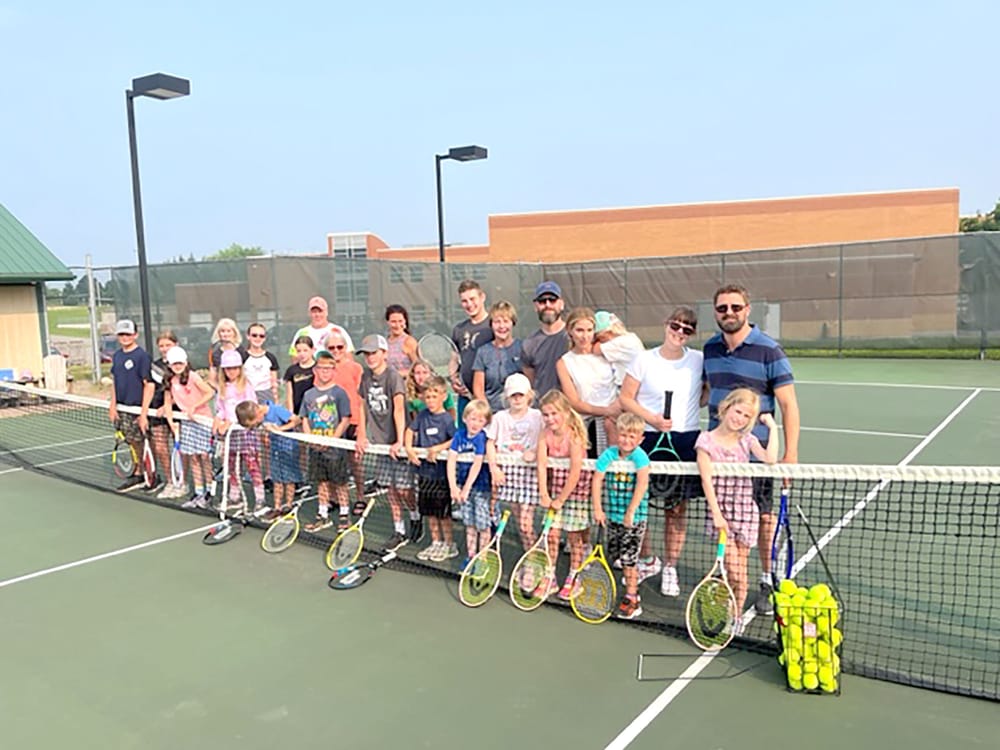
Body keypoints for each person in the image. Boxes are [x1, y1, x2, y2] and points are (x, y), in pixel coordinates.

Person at [702, 284, 800, 614]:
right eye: (722, 309)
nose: (729, 313)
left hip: (754, 455)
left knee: (765, 518)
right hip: (719, 455)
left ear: (748, 309)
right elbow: (707, 392)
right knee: (724, 517)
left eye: (735, 307)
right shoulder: (711, 349)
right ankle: (733, 577)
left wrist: (790, 454)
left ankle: (766, 579)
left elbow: (788, 405)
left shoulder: (769, 350)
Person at [619, 306, 704, 597]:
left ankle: (670, 566)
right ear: (666, 324)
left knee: (676, 509)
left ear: (692, 333)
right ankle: (648, 559)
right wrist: (652, 419)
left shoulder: (698, 360)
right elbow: (626, 398)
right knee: (638, 502)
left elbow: (705, 393)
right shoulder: (643, 360)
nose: (679, 332)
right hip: (649, 437)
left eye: (687, 329)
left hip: (684, 439)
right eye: (675, 326)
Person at [696, 388, 778, 621]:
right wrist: (716, 514)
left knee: (738, 572)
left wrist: (772, 427)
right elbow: (706, 480)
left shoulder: (747, 440)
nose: (739, 418)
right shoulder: (705, 441)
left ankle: (735, 616)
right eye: (738, 411)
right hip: (721, 515)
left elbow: (770, 459)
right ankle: (732, 611)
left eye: (746, 416)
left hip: (745, 513)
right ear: (726, 407)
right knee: (737, 573)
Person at [355, 334, 420, 550]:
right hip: (380, 444)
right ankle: (399, 530)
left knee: (403, 490)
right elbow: (362, 406)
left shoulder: (393, 377)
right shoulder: (365, 376)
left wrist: (400, 441)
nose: (370, 357)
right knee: (390, 490)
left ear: (384, 353)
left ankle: (415, 515)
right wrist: (362, 435)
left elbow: (400, 409)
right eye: (366, 354)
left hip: (397, 444)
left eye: (373, 353)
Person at [592, 412, 651, 620]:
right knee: (614, 555)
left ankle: (632, 598)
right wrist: (598, 508)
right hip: (613, 517)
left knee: (629, 561)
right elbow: (597, 479)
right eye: (623, 435)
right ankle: (615, 589)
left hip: (633, 519)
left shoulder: (640, 456)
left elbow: (642, 483)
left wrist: (631, 511)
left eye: (632, 437)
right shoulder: (609, 454)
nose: (626, 440)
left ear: (640, 439)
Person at [537, 389, 592, 601]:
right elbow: (541, 465)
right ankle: (549, 577)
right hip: (555, 490)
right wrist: (544, 492)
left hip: (576, 493)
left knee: (574, 538)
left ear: (566, 413)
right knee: (551, 535)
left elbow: (576, 472)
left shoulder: (575, 436)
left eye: (554, 414)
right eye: (546, 414)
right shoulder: (544, 433)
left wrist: (561, 499)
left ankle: (573, 577)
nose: (550, 419)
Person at [485, 373, 543, 552]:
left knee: (526, 525)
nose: (517, 399)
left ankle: (538, 558)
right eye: (513, 395)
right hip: (508, 476)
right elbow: (490, 443)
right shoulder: (499, 417)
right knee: (520, 524)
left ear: (529, 396)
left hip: (530, 477)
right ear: (507, 397)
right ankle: (530, 558)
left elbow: (545, 439)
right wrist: (494, 468)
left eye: (521, 395)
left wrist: (534, 452)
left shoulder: (538, 416)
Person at [299, 350, 353, 532]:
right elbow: (304, 418)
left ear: (334, 370)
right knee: (321, 482)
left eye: (329, 368)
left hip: (335, 449)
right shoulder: (308, 395)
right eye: (321, 368)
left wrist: (332, 440)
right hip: (316, 449)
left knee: (340, 483)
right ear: (315, 370)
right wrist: (311, 440)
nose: (324, 372)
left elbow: (345, 419)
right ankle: (323, 515)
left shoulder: (339, 393)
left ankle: (345, 515)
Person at [405, 374, 457, 562]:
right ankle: (436, 542)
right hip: (424, 473)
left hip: (441, 476)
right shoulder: (422, 416)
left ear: (443, 396)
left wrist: (438, 448)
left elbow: (455, 440)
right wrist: (410, 449)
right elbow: (410, 431)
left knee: (443, 513)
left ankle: (449, 544)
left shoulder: (446, 420)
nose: (430, 400)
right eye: (427, 397)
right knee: (429, 512)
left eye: (434, 396)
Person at [555, 306, 620, 456]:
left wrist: (615, 410)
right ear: (570, 332)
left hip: (614, 423)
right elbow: (574, 402)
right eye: (580, 330)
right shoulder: (564, 362)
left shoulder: (607, 352)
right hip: (585, 426)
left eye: (589, 330)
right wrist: (605, 410)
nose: (585, 336)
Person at [162, 346, 215, 509]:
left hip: (203, 421)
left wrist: (194, 407)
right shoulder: (169, 380)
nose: (178, 366)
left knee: (204, 457)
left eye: (180, 363)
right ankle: (199, 492)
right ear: (169, 365)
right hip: (187, 423)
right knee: (193, 458)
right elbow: (167, 403)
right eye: (174, 364)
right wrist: (171, 422)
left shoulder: (193, 377)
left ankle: (209, 492)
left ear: (185, 362)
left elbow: (210, 392)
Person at [214, 349, 265, 515]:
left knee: (253, 466)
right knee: (232, 468)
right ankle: (234, 498)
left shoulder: (246, 387)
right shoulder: (222, 388)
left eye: (235, 368)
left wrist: (233, 422)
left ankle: (260, 500)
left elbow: (251, 411)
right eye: (228, 369)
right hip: (231, 437)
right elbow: (221, 409)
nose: (231, 372)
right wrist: (218, 419)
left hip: (246, 435)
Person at [235, 399, 301, 520]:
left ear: (258, 412)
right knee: (277, 480)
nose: (256, 425)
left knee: (289, 480)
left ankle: (288, 506)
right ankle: (277, 508)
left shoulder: (277, 410)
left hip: (288, 449)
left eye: (255, 422)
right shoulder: (261, 417)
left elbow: (297, 420)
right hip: (274, 450)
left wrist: (279, 430)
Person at [108, 319, 153, 493]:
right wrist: (113, 405)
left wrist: (143, 413)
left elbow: (148, 385)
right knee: (132, 442)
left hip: (137, 410)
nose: (125, 337)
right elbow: (114, 382)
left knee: (143, 442)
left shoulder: (142, 356)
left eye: (128, 334)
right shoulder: (117, 356)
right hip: (122, 409)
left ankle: (145, 473)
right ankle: (139, 472)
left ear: (136, 335)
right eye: (121, 334)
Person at [447, 399, 493, 569]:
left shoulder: (482, 438)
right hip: (462, 486)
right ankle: (471, 556)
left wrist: (466, 488)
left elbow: (477, 463)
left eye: (481, 420)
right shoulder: (459, 435)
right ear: (465, 418)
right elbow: (451, 459)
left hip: (481, 488)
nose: (476, 423)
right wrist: (454, 487)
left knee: (483, 525)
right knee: (470, 524)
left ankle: (483, 559)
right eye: (473, 418)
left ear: (486, 422)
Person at [325, 329, 366, 504]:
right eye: (332, 347)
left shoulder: (356, 368)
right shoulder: (322, 369)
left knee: (355, 463)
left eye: (339, 347)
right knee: (333, 463)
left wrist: (360, 427)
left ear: (345, 347)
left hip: (353, 422)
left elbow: (361, 398)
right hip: (331, 424)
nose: (336, 350)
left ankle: (360, 497)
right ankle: (336, 499)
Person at [141, 330, 179, 498]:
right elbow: (149, 388)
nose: (164, 348)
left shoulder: (181, 363)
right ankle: (170, 481)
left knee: (182, 449)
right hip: (157, 412)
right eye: (161, 345)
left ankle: (181, 482)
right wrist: (143, 413)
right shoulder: (155, 366)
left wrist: (169, 404)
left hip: (178, 412)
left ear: (175, 345)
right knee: (161, 448)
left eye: (168, 345)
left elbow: (183, 389)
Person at [521, 281, 570, 403]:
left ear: (561, 304)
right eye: (542, 301)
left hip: (572, 409)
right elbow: (531, 382)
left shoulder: (574, 336)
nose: (548, 305)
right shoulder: (529, 344)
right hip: (543, 411)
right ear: (536, 306)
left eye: (552, 300)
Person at [451, 279, 494, 417]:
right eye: (464, 301)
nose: (469, 304)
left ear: (482, 297)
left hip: (490, 395)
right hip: (465, 397)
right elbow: (454, 358)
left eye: (472, 299)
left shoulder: (494, 325)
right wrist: (454, 379)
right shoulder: (459, 329)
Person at [472, 300, 523, 413]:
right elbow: (478, 389)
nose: (502, 326)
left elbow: (529, 383)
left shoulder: (522, 348)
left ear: (512, 323)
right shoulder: (483, 352)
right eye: (497, 322)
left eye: (506, 321)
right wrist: (488, 414)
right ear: (491, 324)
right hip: (492, 413)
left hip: (518, 412)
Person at [287, 296, 354, 356]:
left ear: (326, 312)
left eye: (320, 311)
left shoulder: (338, 331)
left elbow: (349, 356)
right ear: (309, 313)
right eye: (314, 312)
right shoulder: (301, 333)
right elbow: (294, 357)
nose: (317, 315)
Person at [593, 311, 644, 387]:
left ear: (609, 332)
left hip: (630, 386)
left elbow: (596, 350)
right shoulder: (631, 337)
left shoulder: (619, 343)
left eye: (600, 338)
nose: (601, 341)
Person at [243, 323, 280, 404]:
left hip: (266, 394)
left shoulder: (270, 358)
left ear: (265, 338)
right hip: (247, 394)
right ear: (248, 336)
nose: (258, 338)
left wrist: (276, 400)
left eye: (261, 336)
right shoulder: (242, 357)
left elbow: (274, 383)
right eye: (254, 335)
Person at [207, 318, 246, 388]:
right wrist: (221, 390)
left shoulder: (241, 351)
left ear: (234, 333)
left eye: (229, 331)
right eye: (223, 331)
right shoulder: (215, 352)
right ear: (219, 333)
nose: (226, 334)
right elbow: (211, 379)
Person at [284, 335, 316, 416]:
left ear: (312, 350)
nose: (302, 354)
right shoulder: (292, 370)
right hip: (297, 411)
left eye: (305, 350)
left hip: (315, 410)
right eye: (299, 351)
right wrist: (290, 413)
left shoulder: (318, 368)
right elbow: (289, 395)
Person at [384, 304, 419, 377]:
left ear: (405, 322)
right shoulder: (385, 343)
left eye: (400, 321)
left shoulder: (409, 341)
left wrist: (397, 374)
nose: (397, 325)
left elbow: (418, 369)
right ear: (388, 322)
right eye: (393, 321)